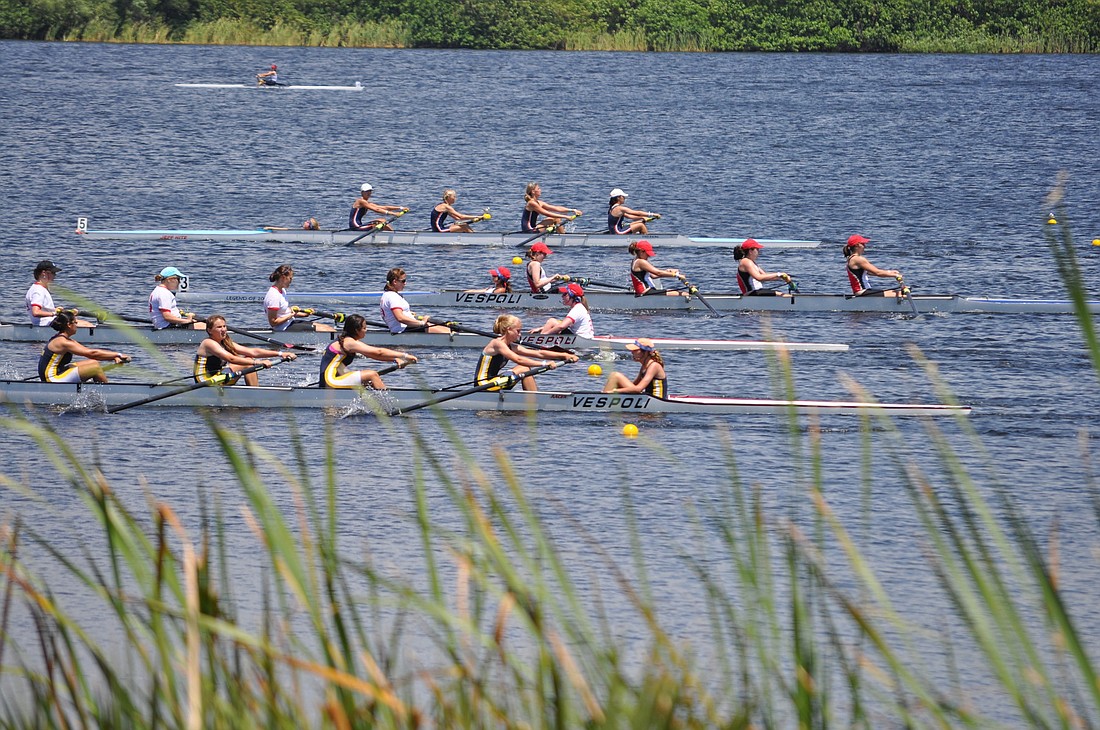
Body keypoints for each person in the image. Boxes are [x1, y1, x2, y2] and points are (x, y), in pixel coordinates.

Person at [475, 314, 578, 391]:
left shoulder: (511, 345)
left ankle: (533, 397)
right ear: (508, 330)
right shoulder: (497, 344)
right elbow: (518, 359)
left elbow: (539, 353)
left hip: (494, 381)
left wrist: (565, 355)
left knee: (524, 368)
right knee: (523, 368)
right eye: (518, 331)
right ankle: (534, 401)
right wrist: (544, 364)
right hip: (484, 385)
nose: (520, 335)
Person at [319, 314, 417, 389]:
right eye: (364, 328)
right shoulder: (349, 342)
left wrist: (395, 359)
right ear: (357, 330)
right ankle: (388, 406)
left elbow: (373, 355)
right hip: (330, 382)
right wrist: (405, 355)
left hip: (329, 380)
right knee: (372, 375)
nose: (366, 330)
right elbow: (378, 352)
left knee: (368, 382)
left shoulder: (347, 340)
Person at [194, 315, 297, 386]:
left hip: (217, 376)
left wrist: (280, 353)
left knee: (248, 359)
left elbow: (253, 352)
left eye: (224, 326)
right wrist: (258, 362)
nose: (223, 329)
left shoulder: (225, 342)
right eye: (219, 327)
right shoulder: (208, 343)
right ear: (209, 330)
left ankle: (254, 391)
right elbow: (231, 358)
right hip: (204, 380)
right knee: (247, 364)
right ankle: (254, 394)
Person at [38, 310, 131, 384]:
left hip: (58, 372)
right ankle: (109, 395)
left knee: (93, 362)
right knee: (95, 367)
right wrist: (118, 354)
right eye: (75, 322)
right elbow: (91, 353)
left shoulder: (61, 338)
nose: (77, 325)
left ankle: (98, 388)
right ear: (69, 325)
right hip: (51, 380)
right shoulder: (63, 342)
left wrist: (113, 357)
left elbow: (90, 353)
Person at [379, 268, 452, 334]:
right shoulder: (393, 297)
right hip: (404, 329)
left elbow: (394, 313)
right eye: (403, 281)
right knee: (448, 332)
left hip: (404, 327)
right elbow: (400, 318)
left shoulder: (387, 294)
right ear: (394, 281)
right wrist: (421, 323)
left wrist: (408, 313)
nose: (405, 283)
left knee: (447, 328)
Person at [265, 265, 335, 332]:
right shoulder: (274, 296)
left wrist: (304, 314)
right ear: (283, 277)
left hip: (290, 322)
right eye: (290, 278)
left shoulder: (282, 291)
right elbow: (273, 322)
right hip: (282, 328)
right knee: (327, 331)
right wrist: (290, 316)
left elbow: (284, 311)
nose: (291, 281)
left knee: (327, 327)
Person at [26, 260, 92, 328]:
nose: (55, 276)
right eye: (53, 273)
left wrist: (55, 310)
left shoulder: (39, 288)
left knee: (84, 323)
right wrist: (55, 313)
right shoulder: (38, 290)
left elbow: (43, 309)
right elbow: (36, 312)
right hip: (45, 323)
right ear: (44, 273)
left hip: (47, 321)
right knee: (87, 325)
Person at [602, 338, 667, 397]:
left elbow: (638, 389)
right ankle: (604, 397)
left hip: (656, 400)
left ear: (646, 352)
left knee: (615, 376)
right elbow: (634, 386)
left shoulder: (654, 366)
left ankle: (603, 398)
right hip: (648, 398)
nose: (632, 352)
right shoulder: (644, 366)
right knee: (614, 376)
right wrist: (618, 388)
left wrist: (615, 391)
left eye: (636, 350)